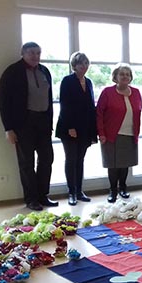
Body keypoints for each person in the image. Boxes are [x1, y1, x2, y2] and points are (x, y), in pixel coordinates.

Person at [0, 42, 58, 211]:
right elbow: (3, 102)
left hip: (43, 123)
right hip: (23, 124)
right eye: (31, 53)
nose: (35, 56)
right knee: (26, 162)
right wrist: (8, 128)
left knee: (47, 159)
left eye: (38, 53)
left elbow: (49, 98)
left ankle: (42, 195)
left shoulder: (44, 71)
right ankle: (31, 199)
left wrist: (50, 122)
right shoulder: (12, 72)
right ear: (22, 53)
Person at [55, 52, 98, 206]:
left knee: (80, 160)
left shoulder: (89, 82)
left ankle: (79, 191)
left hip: (85, 128)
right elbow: (65, 105)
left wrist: (93, 131)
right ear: (74, 66)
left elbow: (90, 107)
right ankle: (71, 192)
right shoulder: (67, 81)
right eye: (81, 64)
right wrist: (70, 127)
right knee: (71, 159)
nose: (84, 67)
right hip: (69, 128)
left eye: (86, 63)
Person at [97, 63, 142, 203]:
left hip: (130, 132)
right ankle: (113, 190)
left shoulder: (136, 92)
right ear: (115, 76)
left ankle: (123, 187)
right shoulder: (107, 92)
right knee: (113, 164)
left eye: (127, 74)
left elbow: (138, 113)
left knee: (125, 163)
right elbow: (98, 113)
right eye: (122, 74)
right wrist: (101, 133)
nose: (125, 76)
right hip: (111, 133)